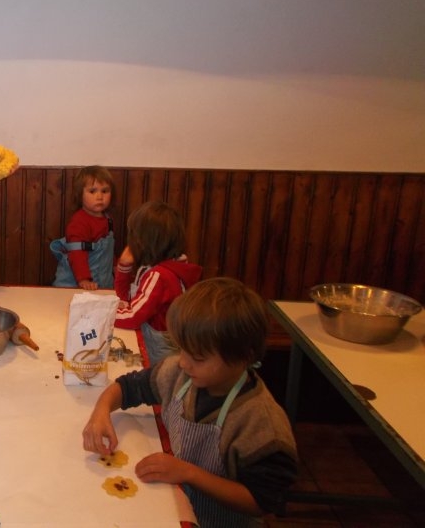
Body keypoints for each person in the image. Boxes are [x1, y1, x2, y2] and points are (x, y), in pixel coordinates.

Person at [82, 277, 298, 527]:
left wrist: (188, 473)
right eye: (181, 349)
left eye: (198, 357)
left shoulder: (261, 423)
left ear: (244, 356)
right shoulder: (178, 374)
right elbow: (128, 387)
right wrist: (101, 411)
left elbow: (261, 501)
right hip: (176, 509)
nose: (184, 362)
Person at [113, 201, 202, 365]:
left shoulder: (158, 276)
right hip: (165, 346)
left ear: (142, 242)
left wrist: (103, 315)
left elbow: (132, 317)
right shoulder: (167, 266)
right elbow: (126, 299)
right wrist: (124, 267)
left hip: (159, 352)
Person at [50, 165, 115, 290]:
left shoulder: (108, 219)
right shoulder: (79, 223)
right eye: (92, 191)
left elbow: (107, 252)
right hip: (73, 285)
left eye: (104, 191)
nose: (99, 196)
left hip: (101, 284)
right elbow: (77, 254)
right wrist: (83, 279)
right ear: (80, 195)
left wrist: (116, 266)